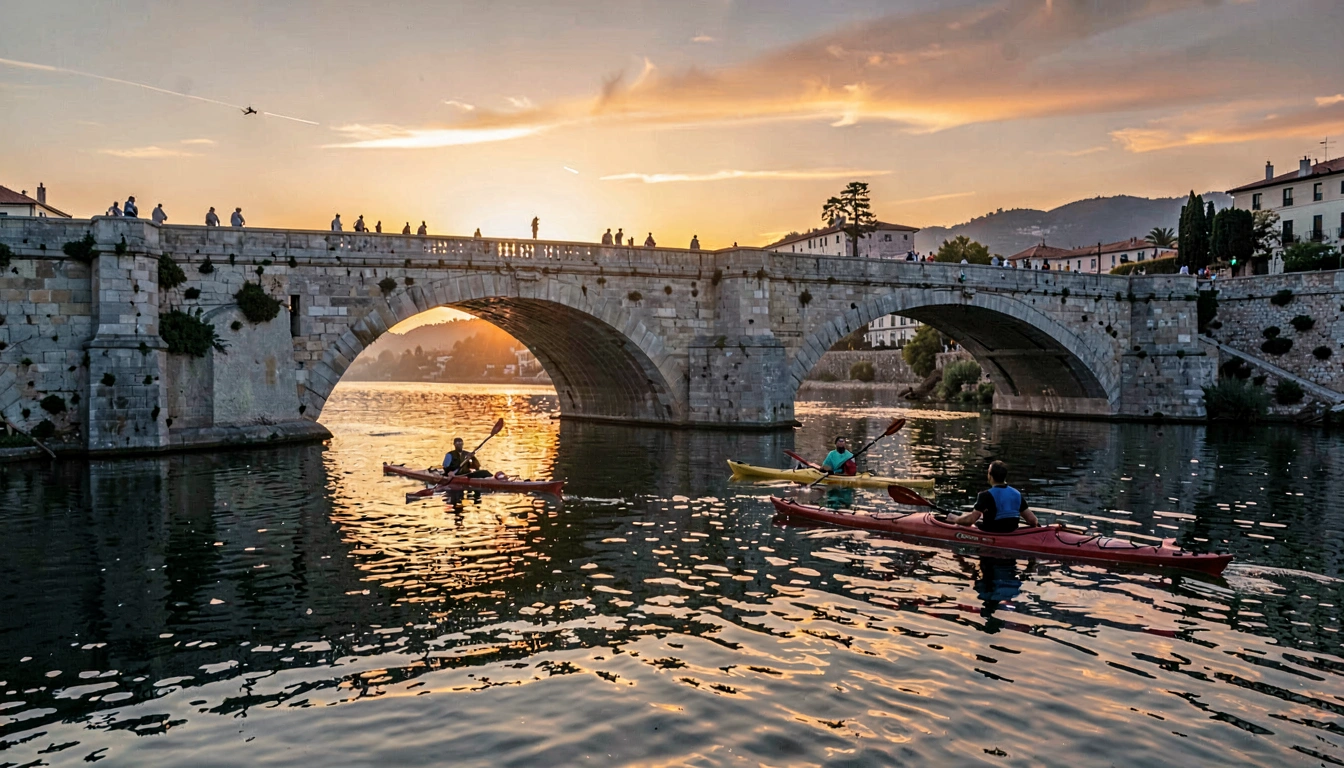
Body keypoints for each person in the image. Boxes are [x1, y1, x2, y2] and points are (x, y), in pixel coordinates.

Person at [948, 460, 1039, 533]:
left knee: (965, 519)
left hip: (992, 531)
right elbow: (1033, 521)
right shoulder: (1016, 494)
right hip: (1012, 531)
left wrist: (955, 519)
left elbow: (971, 520)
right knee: (970, 516)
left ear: (990, 476)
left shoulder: (985, 495)